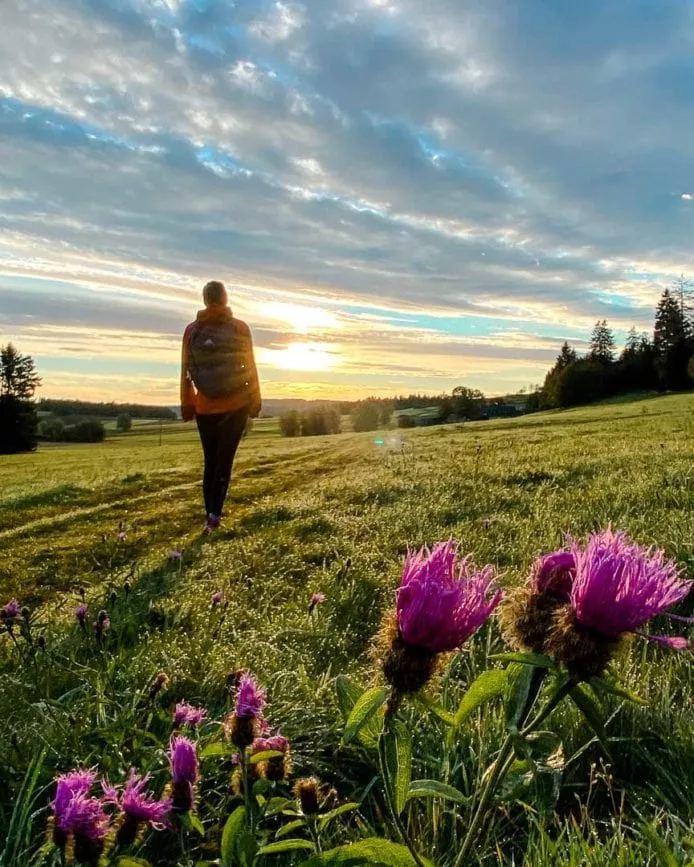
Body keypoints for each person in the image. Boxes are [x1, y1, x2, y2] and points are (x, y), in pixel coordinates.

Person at [180, 280, 261, 533]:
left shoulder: (192, 330)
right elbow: (250, 366)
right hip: (235, 404)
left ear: (205, 300)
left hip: (204, 407)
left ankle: (210, 514)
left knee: (211, 461)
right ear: (226, 299)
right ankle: (214, 515)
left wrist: (187, 404)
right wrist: (254, 402)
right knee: (224, 461)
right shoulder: (240, 328)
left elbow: (185, 371)